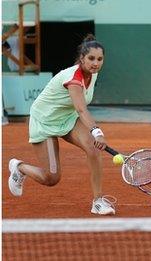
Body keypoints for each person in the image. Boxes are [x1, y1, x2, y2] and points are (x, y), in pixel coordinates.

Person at [8, 34, 115, 215]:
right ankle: (19, 168)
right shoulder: (73, 78)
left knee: (93, 149)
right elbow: (81, 109)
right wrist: (97, 132)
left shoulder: (93, 74)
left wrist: (93, 138)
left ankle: (98, 202)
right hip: (45, 121)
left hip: (66, 118)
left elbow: (77, 110)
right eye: (91, 58)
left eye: (99, 59)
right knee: (51, 178)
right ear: (82, 58)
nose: (95, 63)